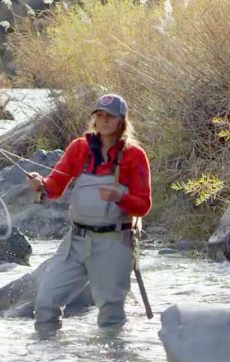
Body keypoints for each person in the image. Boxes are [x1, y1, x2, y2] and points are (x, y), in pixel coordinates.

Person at [26, 93, 152, 333]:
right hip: (75, 242)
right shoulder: (79, 148)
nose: (104, 121)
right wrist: (39, 184)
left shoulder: (134, 156)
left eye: (110, 117)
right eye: (100, 116)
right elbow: (53, 186)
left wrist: (120, 198)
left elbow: (143, 205)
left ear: (121, 120)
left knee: (111, 315)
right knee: (45, 303)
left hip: (114, 242)